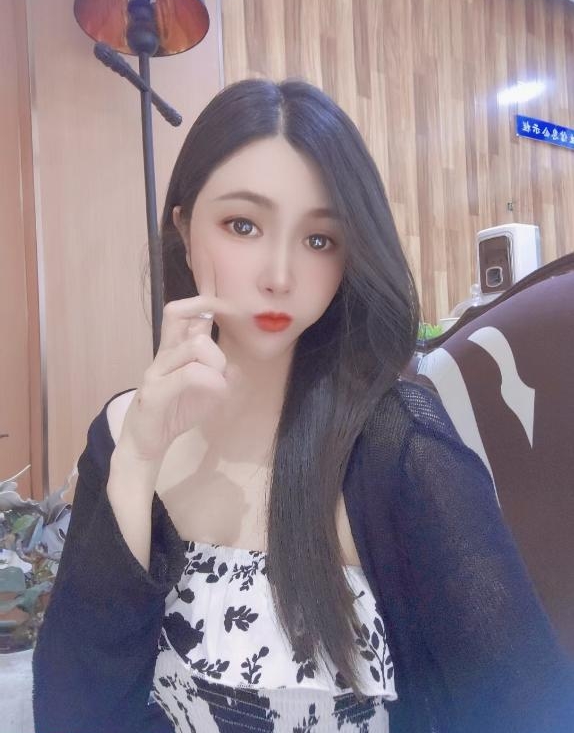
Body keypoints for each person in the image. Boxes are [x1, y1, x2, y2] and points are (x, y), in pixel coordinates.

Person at [32, 79, 574, 733]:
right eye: (243, 225)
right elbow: (70, 713)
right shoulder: (126, 431)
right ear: (184, 228)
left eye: (319, 239)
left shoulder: (399, 449)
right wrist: (138, 460)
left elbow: (531, 708)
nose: (279, 275)